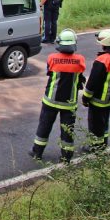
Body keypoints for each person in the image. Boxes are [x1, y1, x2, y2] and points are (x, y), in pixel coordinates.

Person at [30, 28, 85, 163]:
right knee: (67, 130)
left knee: (44, 127)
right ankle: (66, 157)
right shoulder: (80, 60)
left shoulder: (52, 58)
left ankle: (37, 152)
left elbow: (49, 72)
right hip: (69, 103)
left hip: (50, 101)